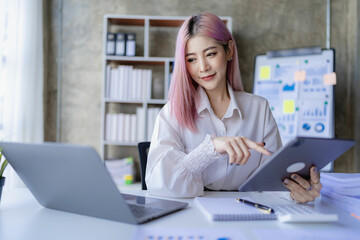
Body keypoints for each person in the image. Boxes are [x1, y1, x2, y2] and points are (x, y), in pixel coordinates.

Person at [145, 12, 322, 202]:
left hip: (248, 210)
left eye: (211, 54)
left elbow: (272, 182)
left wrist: (296, 193)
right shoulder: (172, 113)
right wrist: (210, 149)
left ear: (229, 51)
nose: (203, 67)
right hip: (194, 214)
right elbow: (158, 184)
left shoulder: (259, 109)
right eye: (191, 59)